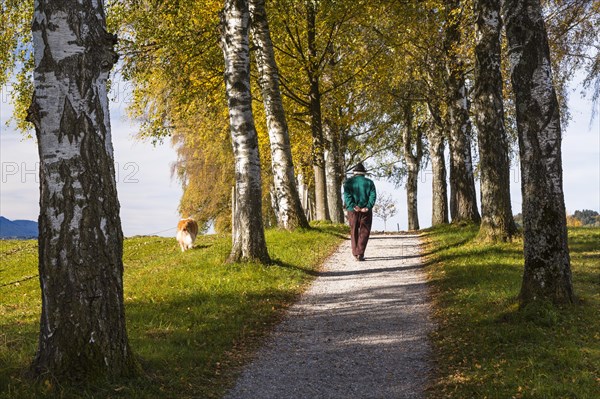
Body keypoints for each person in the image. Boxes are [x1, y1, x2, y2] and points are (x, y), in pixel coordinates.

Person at [343, 162, 376, 261]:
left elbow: (347, 196)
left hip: (352, 210)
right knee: (364, 231)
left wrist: (353, 205)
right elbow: (373, 196)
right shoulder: (369, 182)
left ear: (354, 173)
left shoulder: (348, 183)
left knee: (353, 231)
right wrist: (368, 206)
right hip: (366, 211)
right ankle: (360, 253)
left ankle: (355, 252)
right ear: (363, 173)